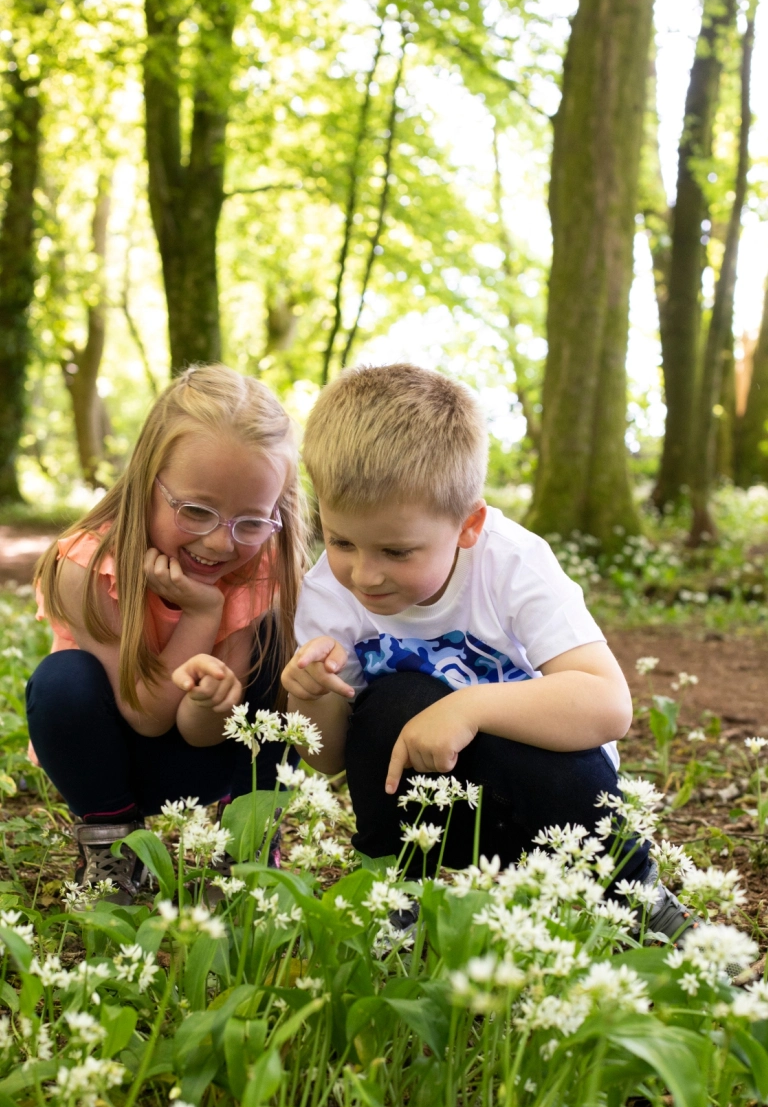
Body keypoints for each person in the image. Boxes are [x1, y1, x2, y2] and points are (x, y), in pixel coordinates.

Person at [282, 362, 697, 941]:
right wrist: (310, 697)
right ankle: (394, 894)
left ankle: (635, 895)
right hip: (431, 811)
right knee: (391, 699)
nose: (365, 574)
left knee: (536, 731)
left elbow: (608, 705)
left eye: (397, 551)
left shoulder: (511, 561)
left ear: (469, 525)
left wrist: (469, 707)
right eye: (341, 540)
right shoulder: (331, 591)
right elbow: (330, 759)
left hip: (551, 808)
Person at [27, 364, 306, 899]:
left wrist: (213, 703)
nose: (221, 545)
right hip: (110, 759)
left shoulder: (258, 567)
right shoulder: (87, 566)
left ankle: (247, 844)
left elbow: (198, 733)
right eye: (196, 510)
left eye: (250, 522)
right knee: (62, 680)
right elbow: (146, 715)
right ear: (147, 481)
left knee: (285, 667)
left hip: (208, 753)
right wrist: (202, 614)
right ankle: (116, 849)